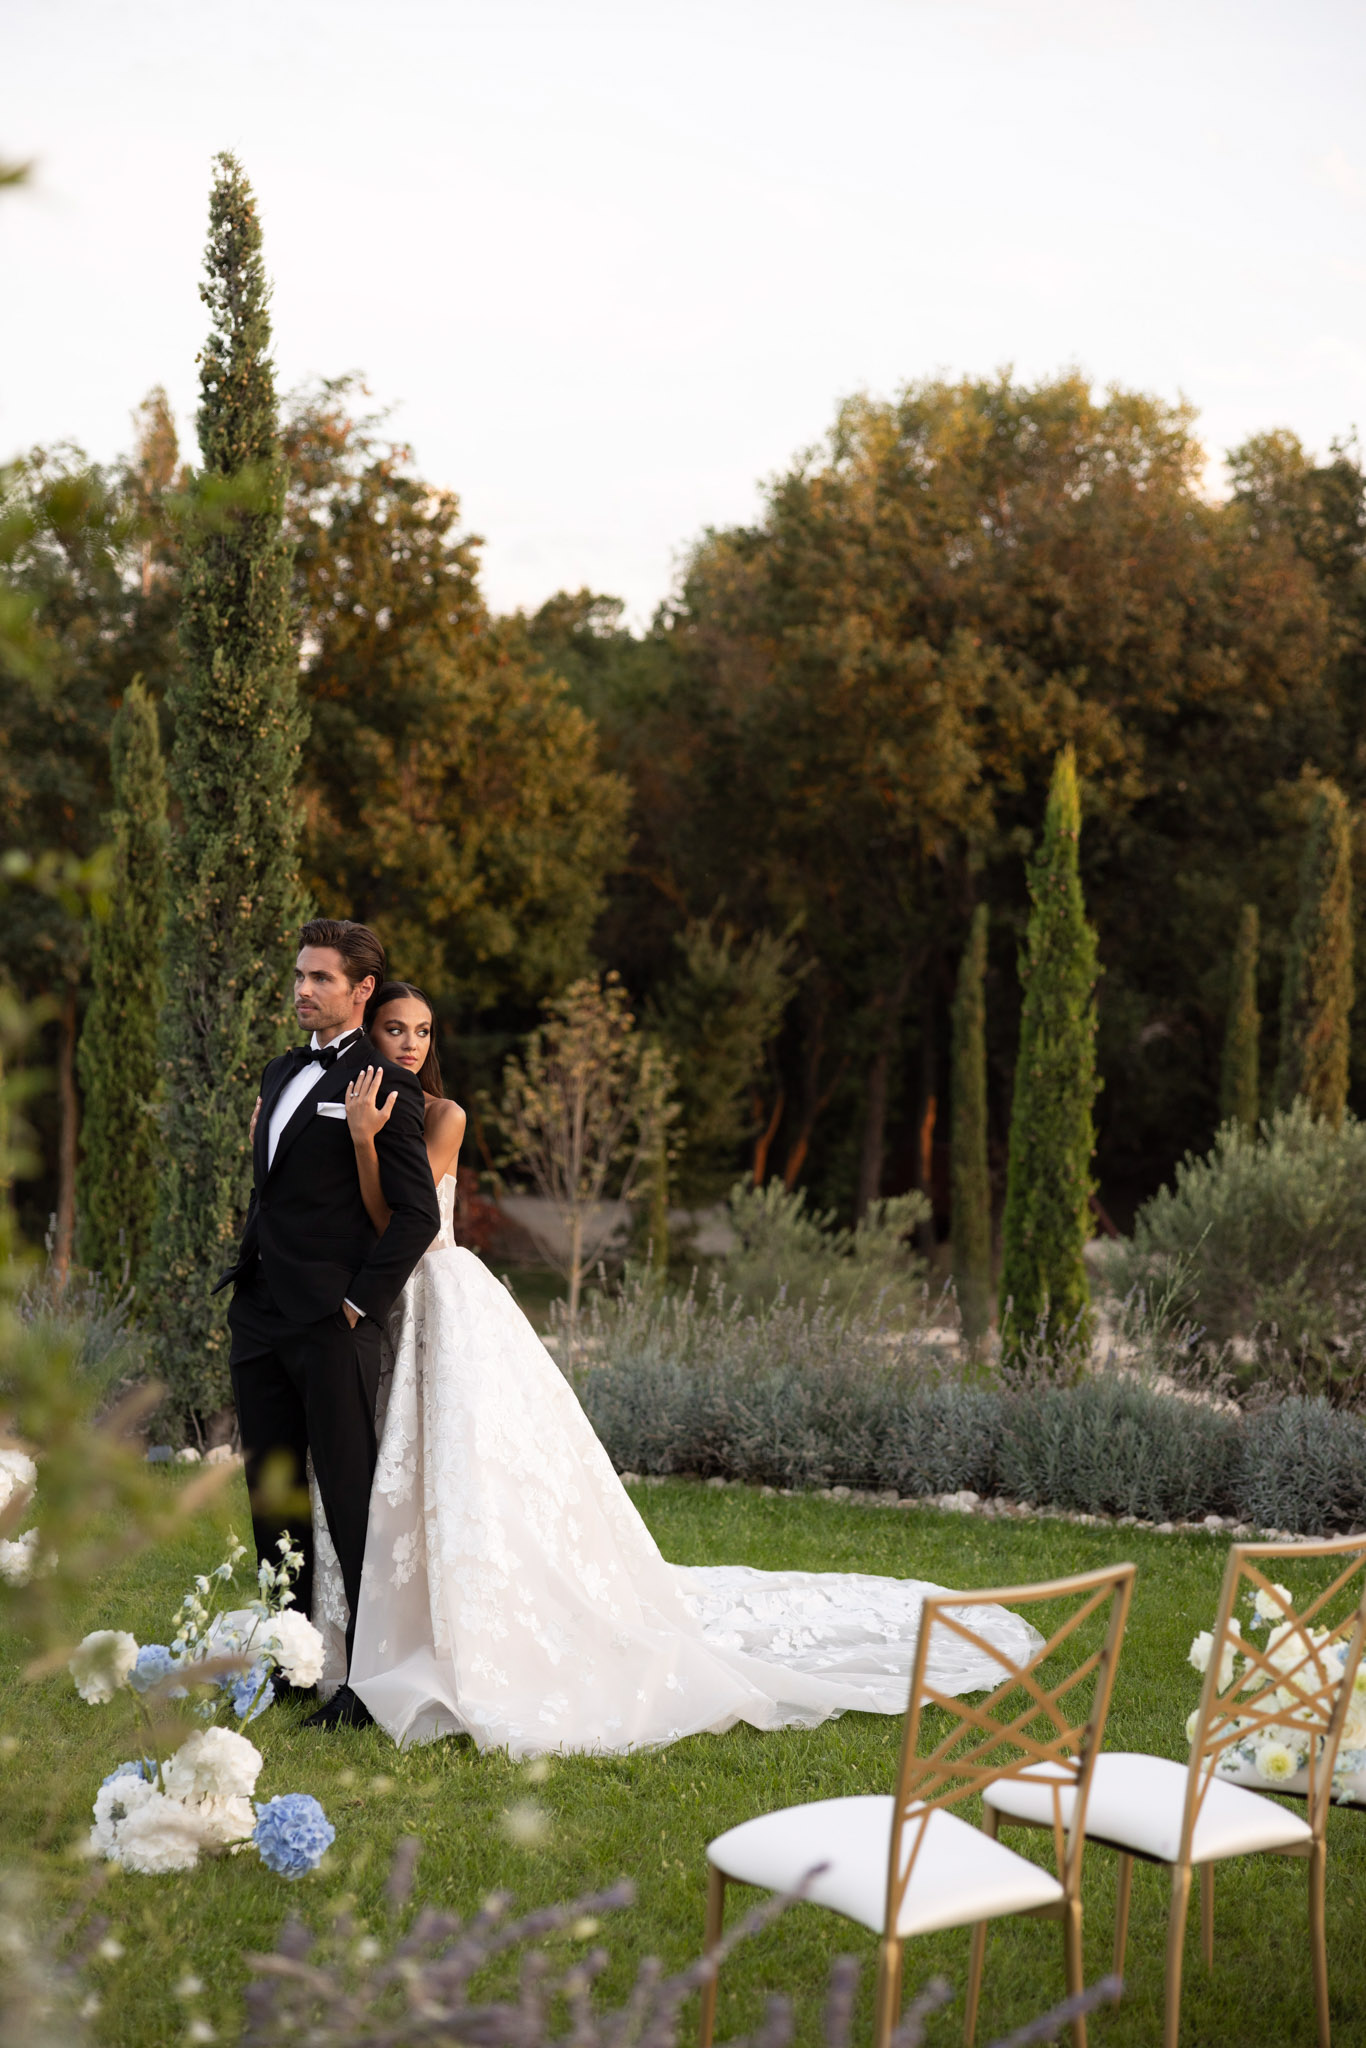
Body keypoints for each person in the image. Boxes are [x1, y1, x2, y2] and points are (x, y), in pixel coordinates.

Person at [306, 981, 1040, 1755]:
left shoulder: (440, 1114)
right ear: (369, 1034)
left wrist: (362, 1142)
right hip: (380, 1301)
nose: (411, 1044)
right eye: (395, 1030)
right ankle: (388, 1615)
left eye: (422, 1031)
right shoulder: (368, 1105)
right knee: (390, 1464)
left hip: (433, 1293)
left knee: (460, 1464)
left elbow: (405, 1224)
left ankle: (468, 1623)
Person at [217, 922, 441, 1730]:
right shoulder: (281, 1070)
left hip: (332, 1324)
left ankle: (367, 1682)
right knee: (272, 1493)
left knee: (351, 1503)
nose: (302, 989)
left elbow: (414, 1215)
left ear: (361, 991)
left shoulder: (385, 1081)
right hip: (262, 1315)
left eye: (320, 978)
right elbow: (274, 1193)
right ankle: (290, 1658)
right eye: (300, 975)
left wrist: (357, 1307)